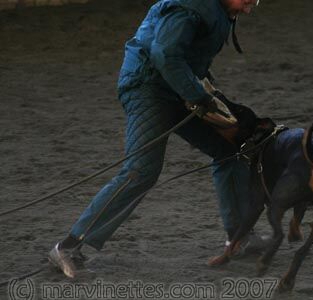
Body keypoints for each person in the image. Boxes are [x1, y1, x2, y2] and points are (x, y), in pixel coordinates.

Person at [49, 0, 262, 278]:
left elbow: (188, 57)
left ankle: (240, 237)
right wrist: (197, 95)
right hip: (147, 88)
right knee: (142, 171)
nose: (248, 9)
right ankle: (68, 247)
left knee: (230, 150)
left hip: (177, 89)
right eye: (247, 1)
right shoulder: (190, 7)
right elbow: (165, 53)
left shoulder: (215, 8)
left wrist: (204, 90)